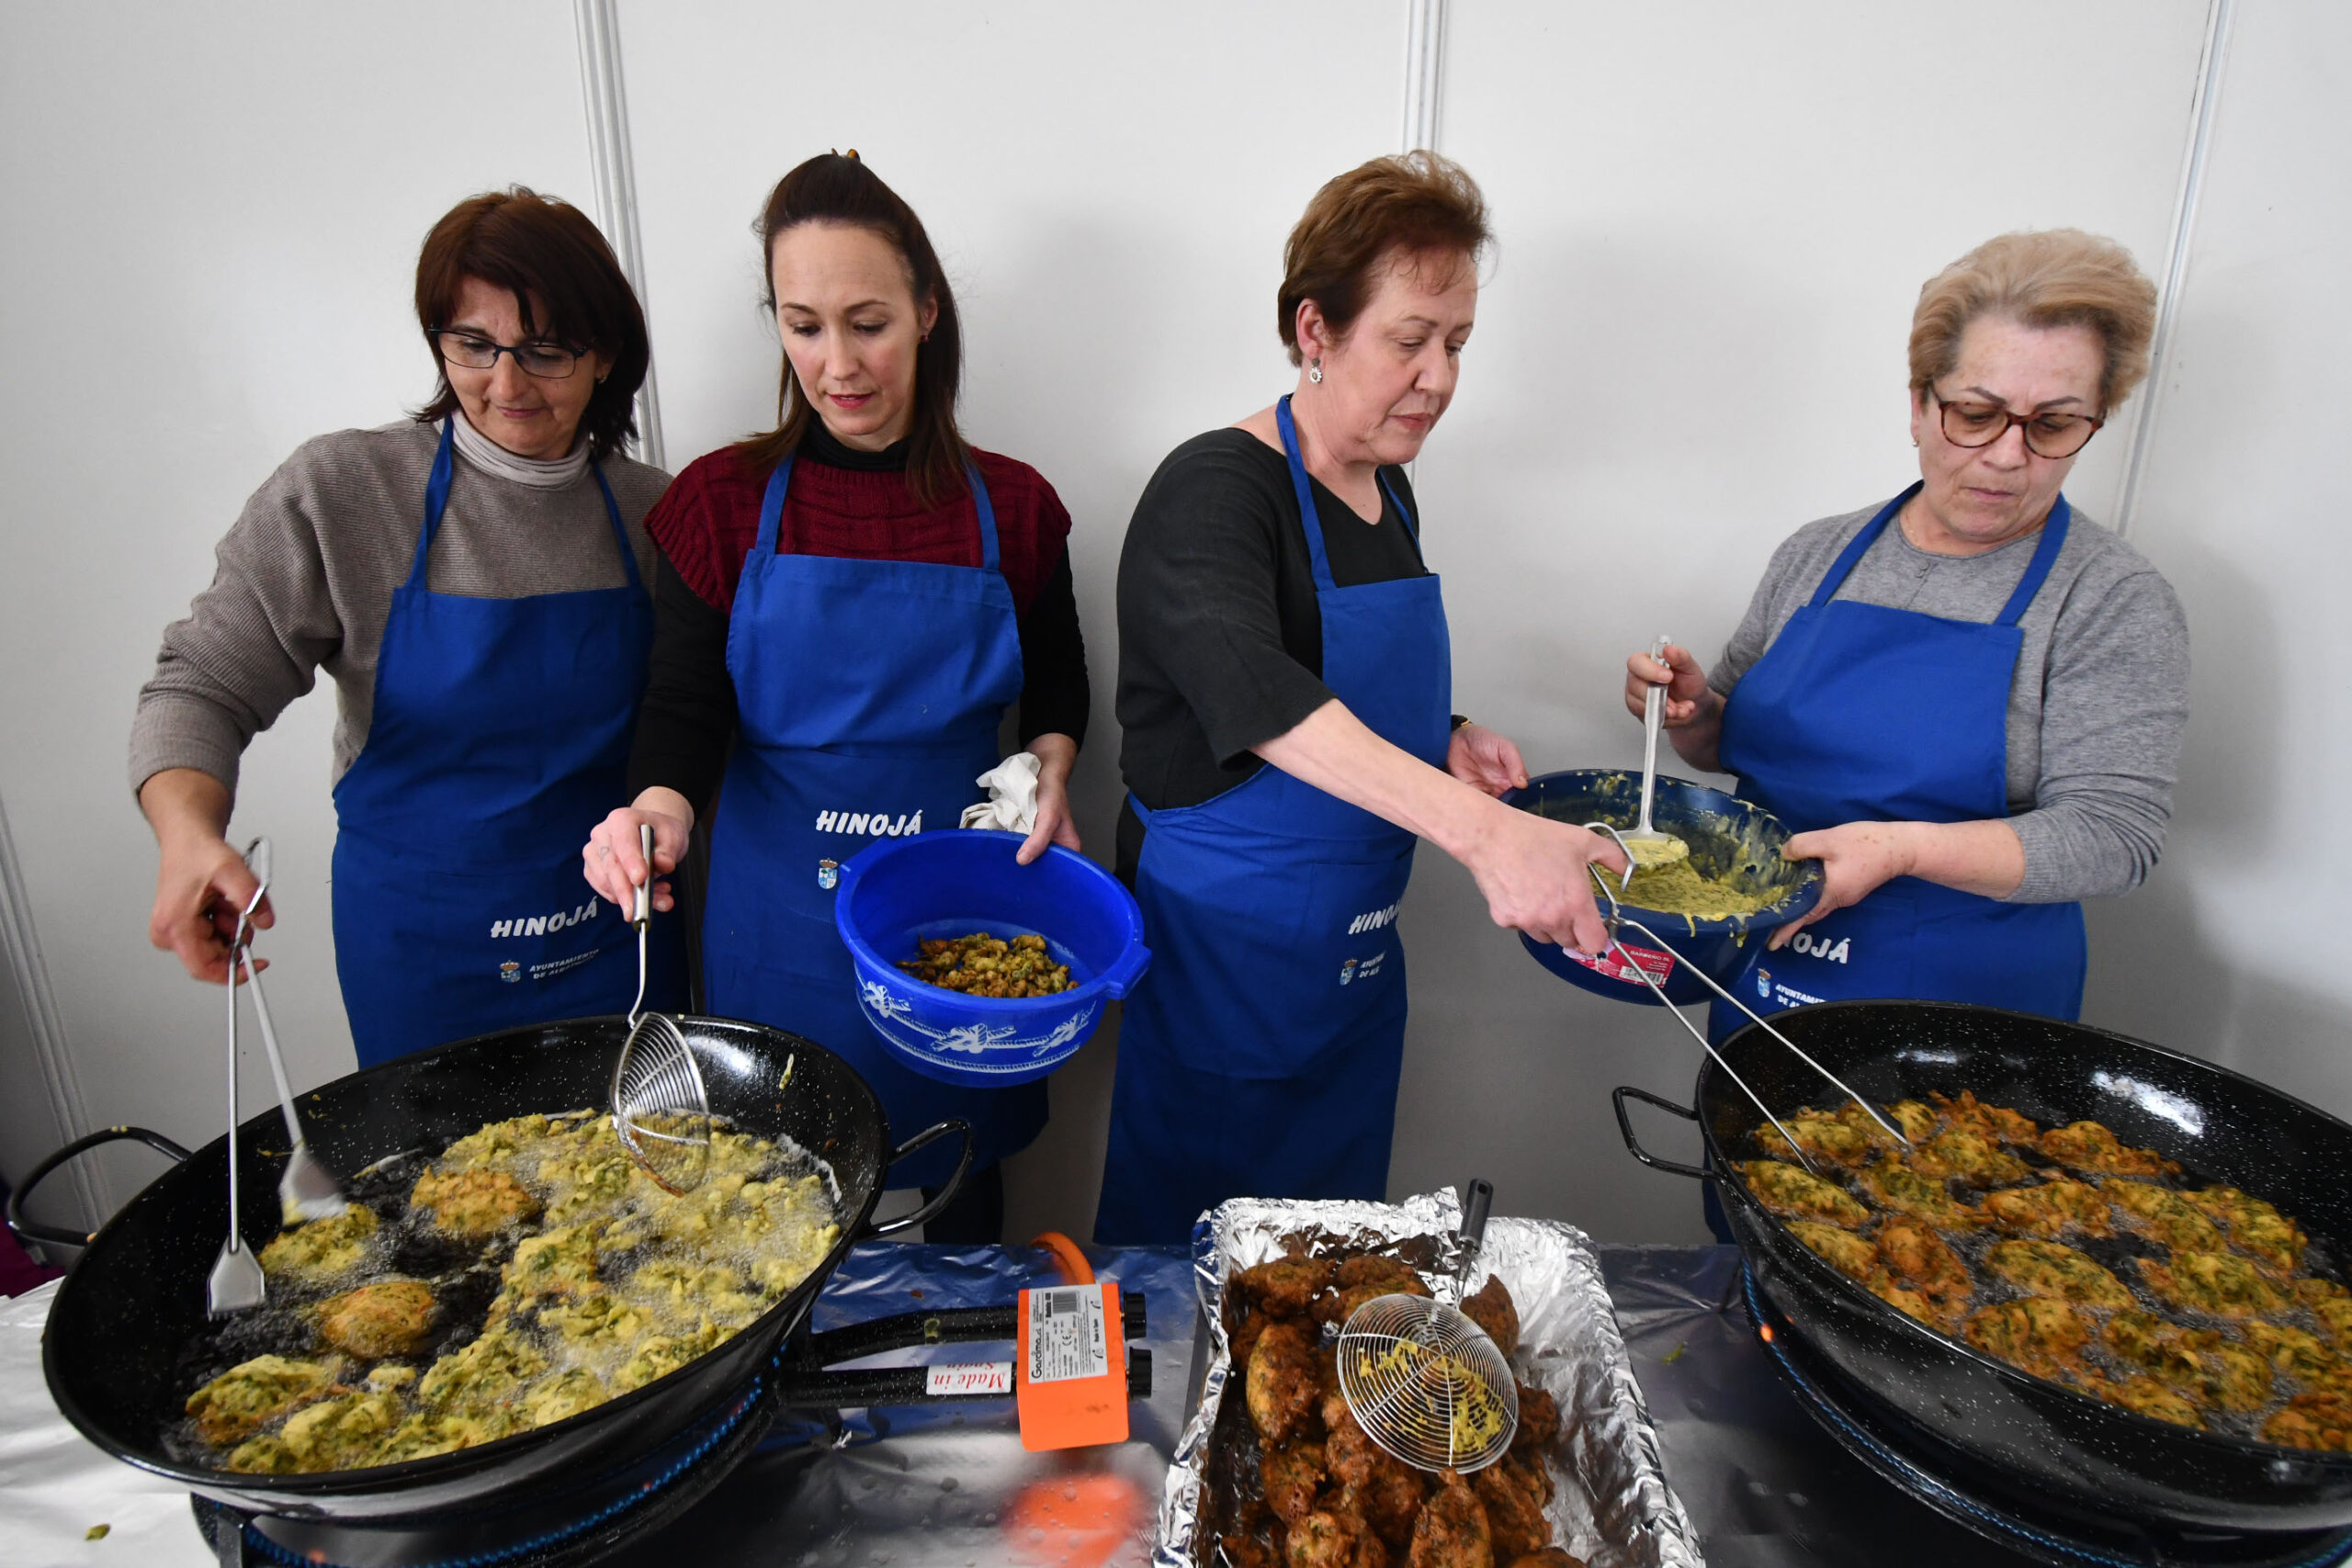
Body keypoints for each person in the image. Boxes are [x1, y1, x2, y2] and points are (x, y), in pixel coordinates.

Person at [1096, 153, 1627, 1246]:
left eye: (1458, 344)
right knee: (1192, 1266)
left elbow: (1348, 684)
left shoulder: (1389, 489)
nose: (1438, 376)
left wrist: (1450, 737)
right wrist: (1489, 838)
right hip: (1227, 966)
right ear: (1315, 332)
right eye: (1409, 339)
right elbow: (1257, 693)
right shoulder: (1213, 489)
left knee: (1328, 1262)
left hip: (1353, 971)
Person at [582, 152, 1090, 1245]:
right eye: (804, 325)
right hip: (783, 938)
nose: (838, 363)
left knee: (956, 1238)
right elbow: (681, 705)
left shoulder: (1014, 507)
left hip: (958, 942)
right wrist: (656, 813)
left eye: (868, 323)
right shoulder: (720, 504)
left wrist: (1051, 771)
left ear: (926, 312)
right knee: (785, 1239)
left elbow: (1057, 684)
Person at [132, 188, 681, 1066]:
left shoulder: (659, 512)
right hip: (425, 954)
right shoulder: (346, 492)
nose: (504, 384)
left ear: (606, 354)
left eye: (543, 351)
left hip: (617, 940)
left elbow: (693, 719)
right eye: (472, 344)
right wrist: (189, 837)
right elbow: (201, 683)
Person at [1626, 229, 2188, 1040]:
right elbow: (1725, 749)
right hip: (1766, 975)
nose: (2007, 456)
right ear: (1920, 403)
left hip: (1966, 1010)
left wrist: (1901, 849)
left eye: (2053, 425)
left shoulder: (2110, 598)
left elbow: (2115, 835)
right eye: (1976, 413)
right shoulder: (1817, 554)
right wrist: (1690, 713)